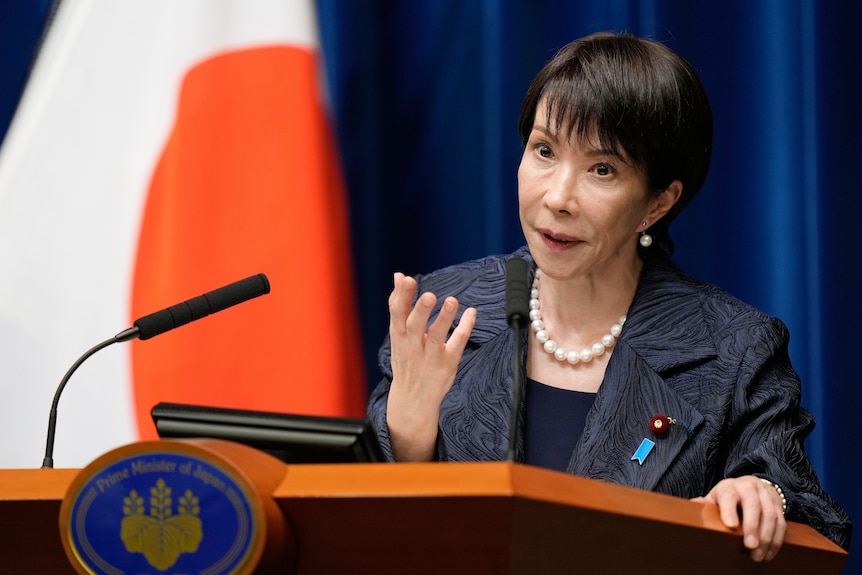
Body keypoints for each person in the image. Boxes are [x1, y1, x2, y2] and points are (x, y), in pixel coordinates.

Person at [367, 31, 851, 560]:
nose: (558, 197)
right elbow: (361, 533)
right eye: (544, 150)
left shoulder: (734, 350)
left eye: (602, 169)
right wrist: (409, 440)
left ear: (657, 203)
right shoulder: (443, 312)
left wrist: (764, 495)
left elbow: (812, 518)